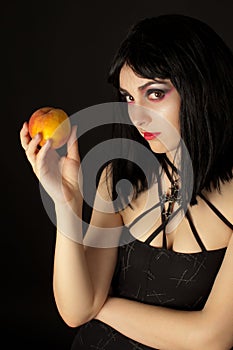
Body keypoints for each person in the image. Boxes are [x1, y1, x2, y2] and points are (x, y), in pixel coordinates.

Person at [20, 14, 233, 350]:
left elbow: (212, 338)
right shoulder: (118, 178)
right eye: (129, 98)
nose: (137, 115)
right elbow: (76, 311)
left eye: (156, 94)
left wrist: (102, 306)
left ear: (201, 90)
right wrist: (66, 204)